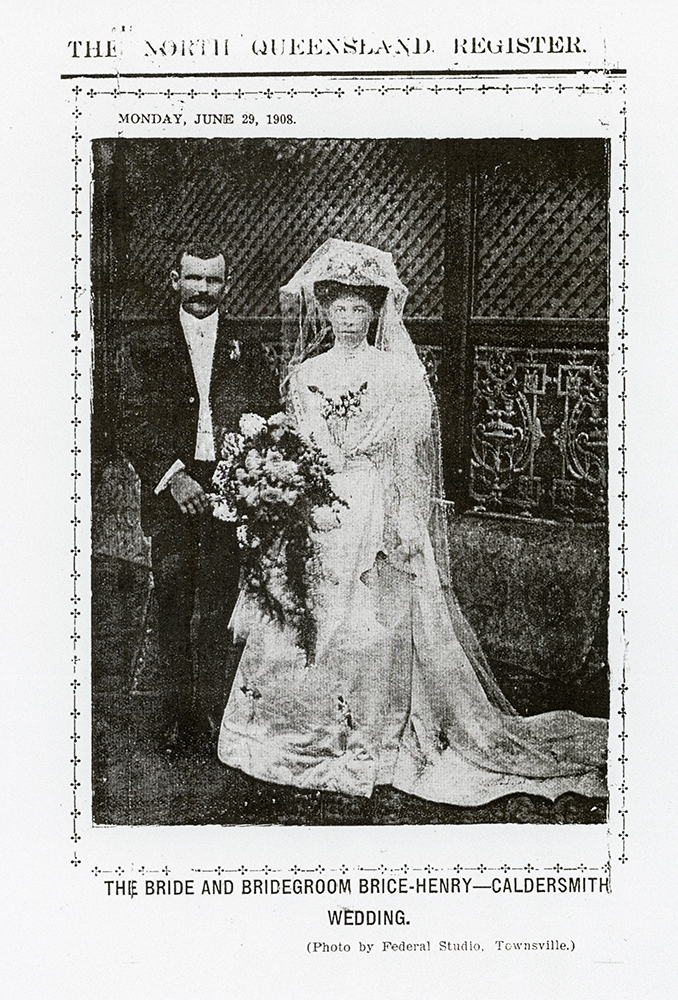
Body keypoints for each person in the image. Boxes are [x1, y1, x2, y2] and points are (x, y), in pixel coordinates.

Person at [217, 239, 607, 805]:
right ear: (324, 312)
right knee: (303, 609)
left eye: (359, 308)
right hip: (323, 502)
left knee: (373, 618)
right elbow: (307, 445)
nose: (348, 319)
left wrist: (403, 517)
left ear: (376, 312)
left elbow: (405, 456)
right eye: (339, 308)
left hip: (376, 497)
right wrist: (297, 494)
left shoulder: (397, 374)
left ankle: (367, 735)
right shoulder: (304, 375)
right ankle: (288, 731)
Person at [122, 244, 280, 753]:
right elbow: (132, 418)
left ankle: (211, 714)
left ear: (225, 286)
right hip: (173, 489)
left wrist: (249, 476)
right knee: (172, 596)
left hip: (230, 488)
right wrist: (173, 475)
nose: (202, 290)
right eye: (193, 279)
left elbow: (267, 414)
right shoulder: (147, 343)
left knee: (219, 602)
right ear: (175, 280)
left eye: (213, 281)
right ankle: (174, 716)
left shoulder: (246, 345)